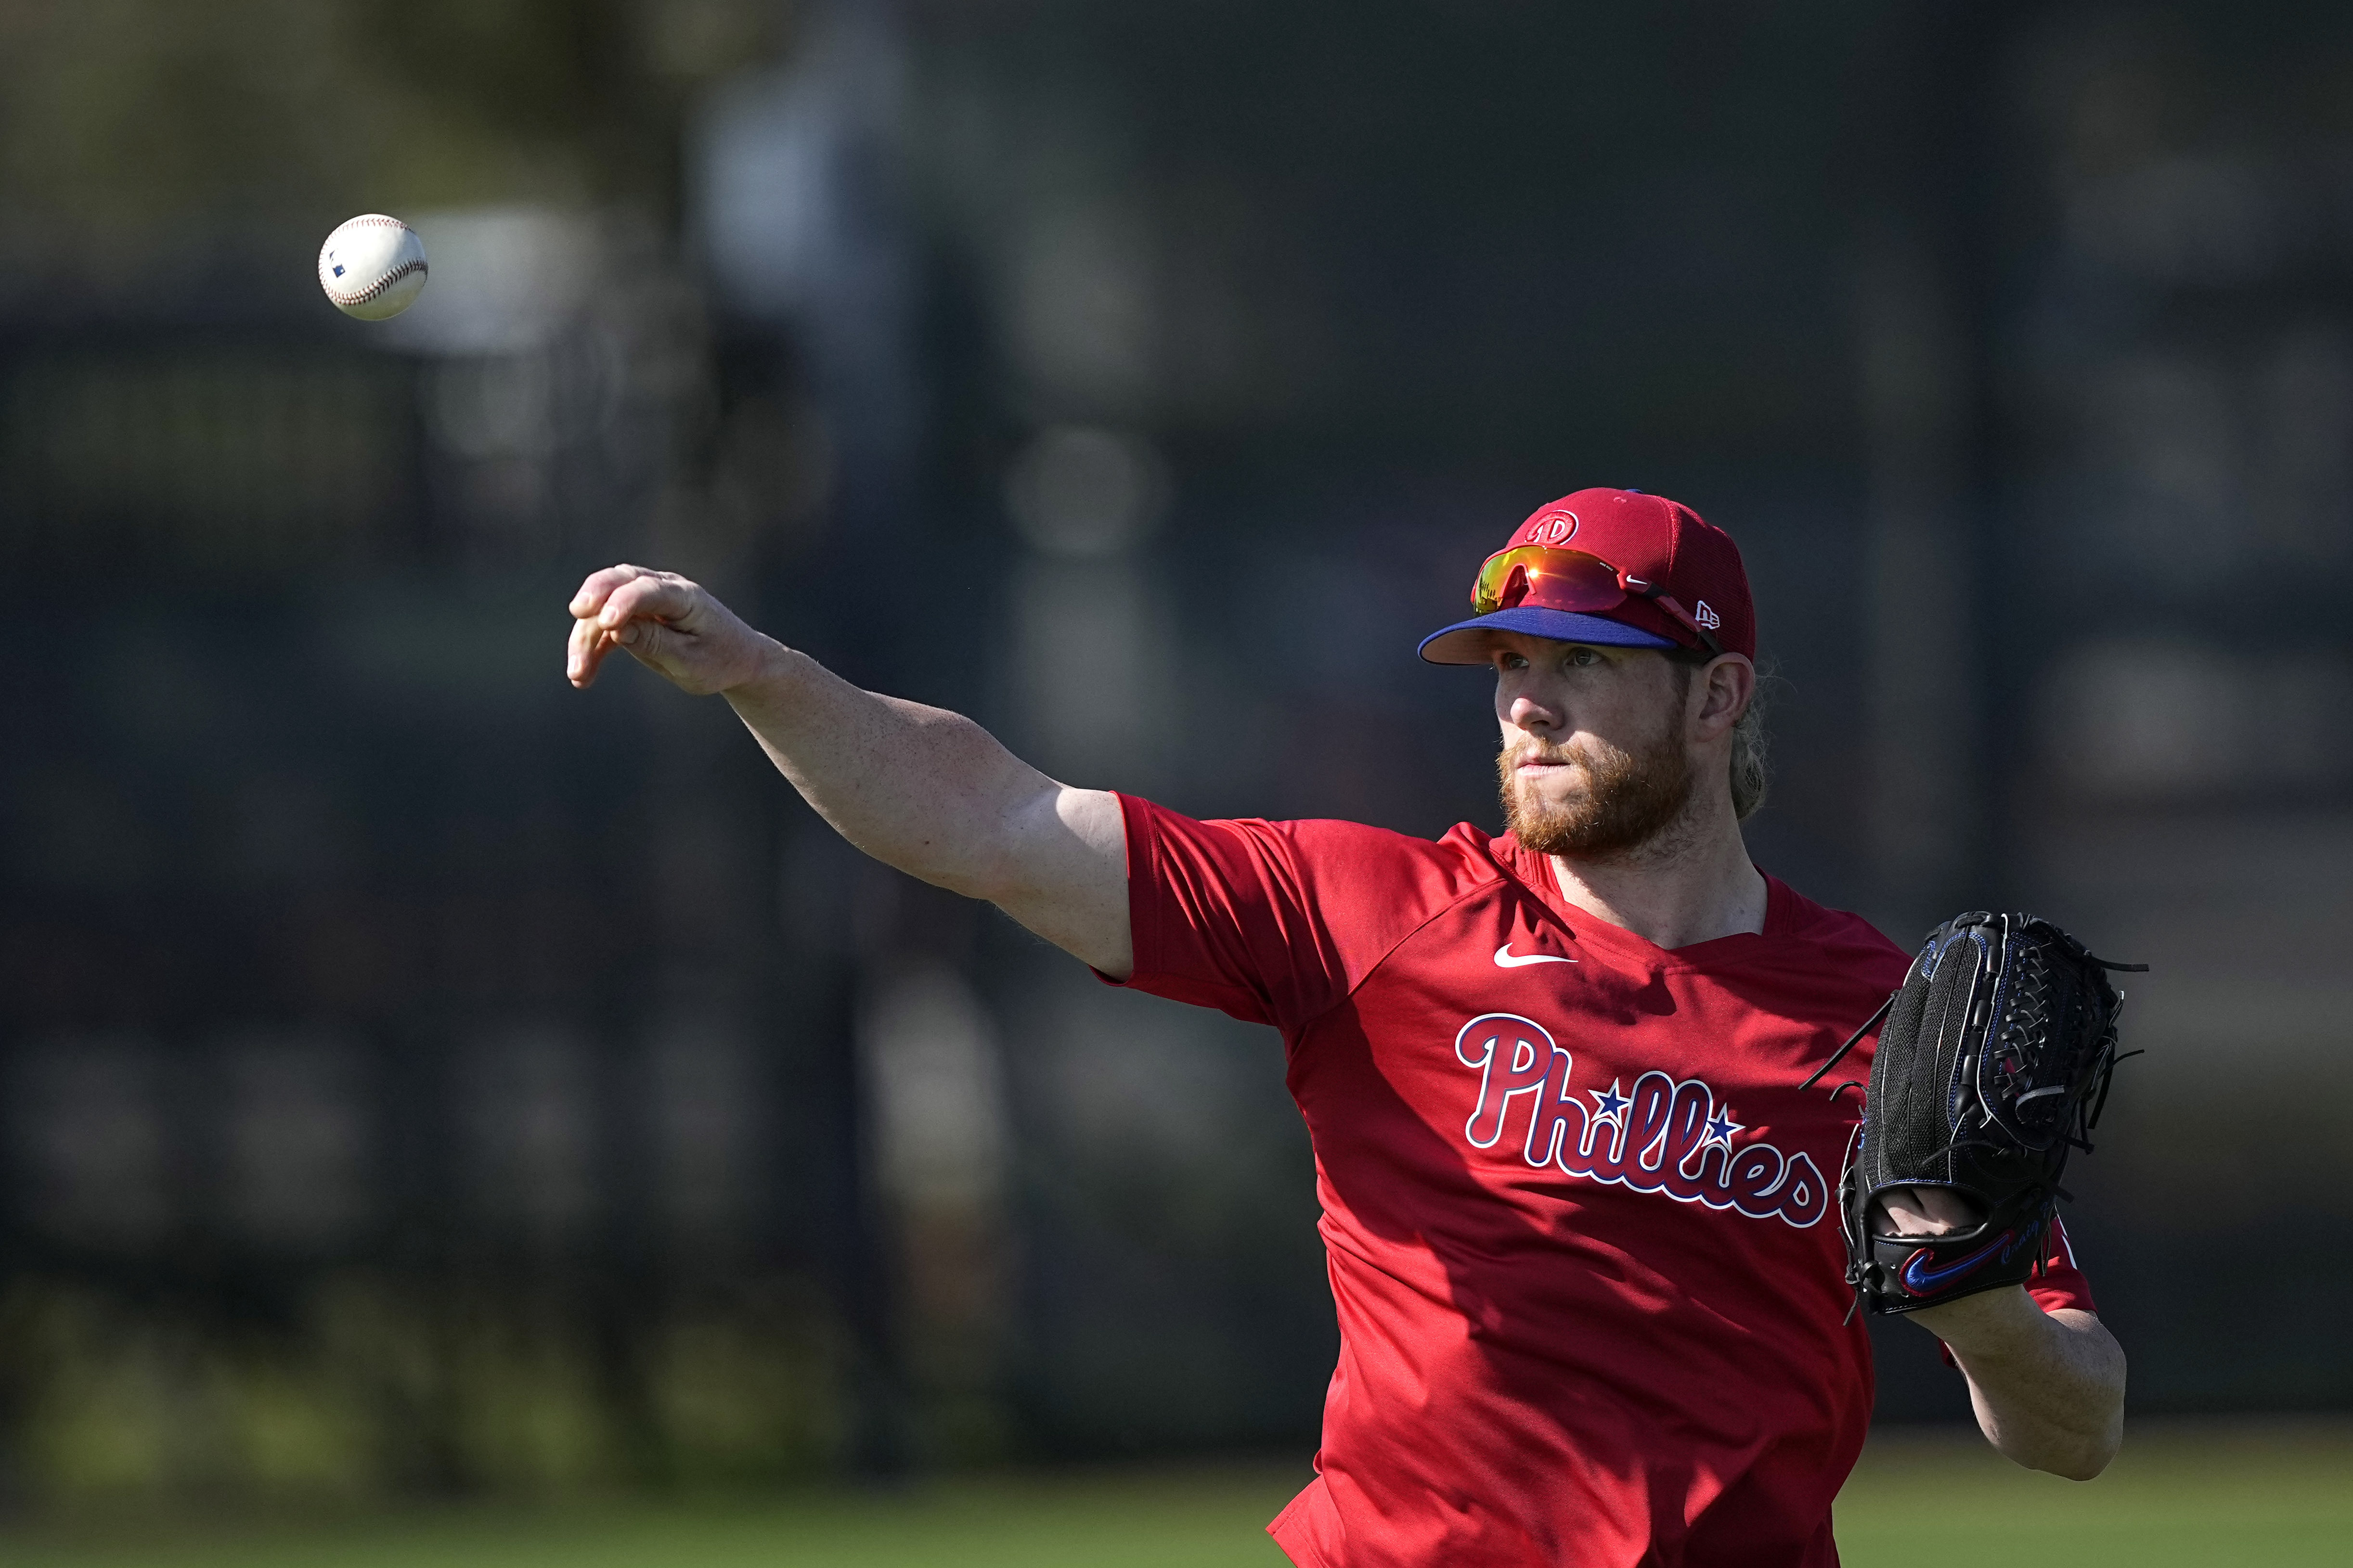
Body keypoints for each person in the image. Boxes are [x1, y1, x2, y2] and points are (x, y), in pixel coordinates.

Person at [565, 488, 2126, 1567]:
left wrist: (1968, 1290)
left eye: (1584, 663)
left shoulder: (1881, 1014)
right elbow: (996, 819)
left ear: (1719, 699)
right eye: (1509, 667)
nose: (1526, 704)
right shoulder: (1381, 916)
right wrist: (764, 674)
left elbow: (2078, 1420)